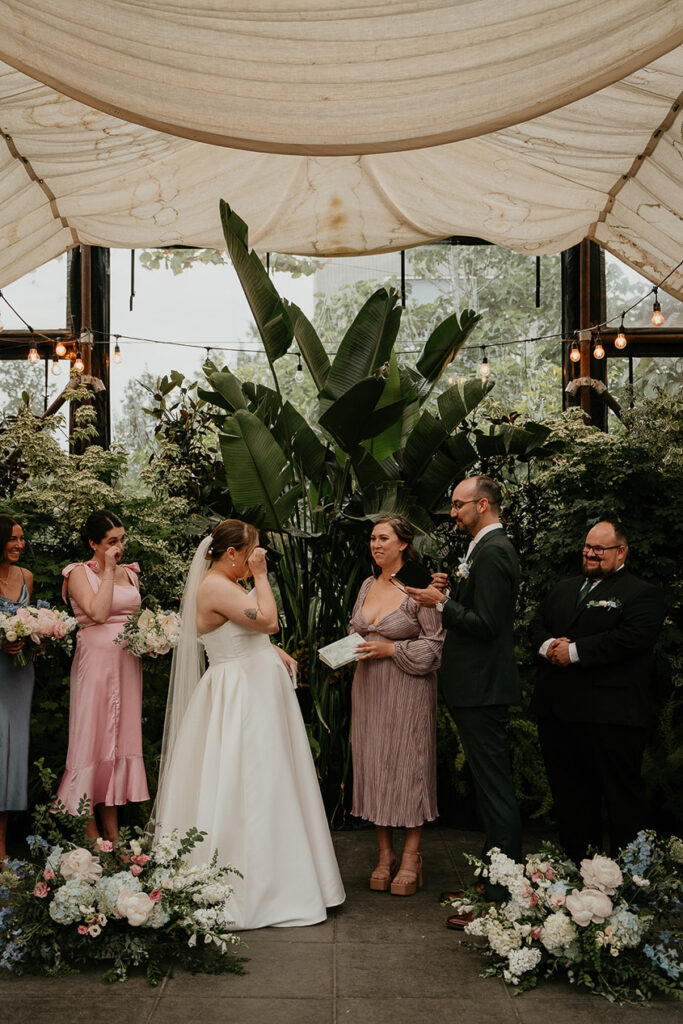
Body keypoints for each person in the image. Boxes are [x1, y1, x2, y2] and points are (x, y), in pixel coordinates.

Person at [152, 519, 345, 929]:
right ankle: (256, 889)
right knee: (250, 782)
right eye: (252, 551)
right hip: (240, 698)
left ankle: (282, 877)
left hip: (254, 689)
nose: (257, 558)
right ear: (232, 553)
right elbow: (269, 619)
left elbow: (248, 631)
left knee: (270, 782)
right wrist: (260, 576)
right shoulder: (218, 585)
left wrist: (270, 650)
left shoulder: (224, 582)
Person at [406, 476, 521, 925]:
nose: (452, 513)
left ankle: (501, 894)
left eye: (459, 505)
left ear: (484, 505)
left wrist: (441, 604)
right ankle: (493, 878)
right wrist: (446, 592)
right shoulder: (482, 548)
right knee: (487, 787)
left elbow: (489, 623)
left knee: (495, 790)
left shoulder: (494, 552)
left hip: (483, 686)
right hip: (474, 685)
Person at [530, 519, 664, 864]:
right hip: (560, 715)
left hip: (612, 718)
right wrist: (548, 647)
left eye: (599, 548)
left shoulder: (641, 592)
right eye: (588, 546)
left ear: (622, 552)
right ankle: (578, 871)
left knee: (621, 800)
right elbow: (537, 624)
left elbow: (632, 638)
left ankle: (631, 880)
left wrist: (575, 652)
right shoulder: (563, 588)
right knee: (571, 798)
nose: (590, 553)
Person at [349, 515, 444, 896]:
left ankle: (411, 856)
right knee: (375, 764)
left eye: (384, 538)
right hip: (368, 688)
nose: (376, 544)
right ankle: (384, 854)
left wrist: (390, 648)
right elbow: (357, 630)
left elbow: (435, 645)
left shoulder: (420, 584)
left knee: (408, 765)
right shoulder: (368, 583)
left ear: (403, 543)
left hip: (406, 688)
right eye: (373, 538)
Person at [57, 510, 149, 840]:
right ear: (93, 543)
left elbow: (133, 617)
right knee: (92, 740)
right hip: (95, 664)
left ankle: (113, 835)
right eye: (112, 542)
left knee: (117, 742)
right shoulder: (80, 573)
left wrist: (150, 640)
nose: (119, 547)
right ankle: (90, 834)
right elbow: (97, 613)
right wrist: (109, 569)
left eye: (122, 540)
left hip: (127, 665)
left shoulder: (131, 574)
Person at [0, 516, 35, 863]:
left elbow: (27, 623)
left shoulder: (27, 577)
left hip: (19, 674)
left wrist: (34, 637)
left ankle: (3, 846)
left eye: (22, 539)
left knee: (13, 756)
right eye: (12, 539)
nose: (19, 545)